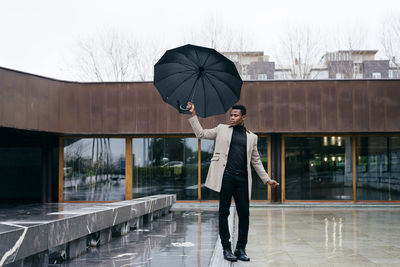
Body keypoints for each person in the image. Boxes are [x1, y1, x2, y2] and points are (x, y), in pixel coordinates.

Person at [186, 102, 279, 262]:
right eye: (231, 115)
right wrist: (193, 114)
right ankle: (226, 248)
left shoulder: (252, 137)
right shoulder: (222, 129)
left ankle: (241, 249)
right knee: (224, 213)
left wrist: (267, 179)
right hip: (226, 177)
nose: (232, 118)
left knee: (244, 215)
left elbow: (256, 161)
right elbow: (200, 134)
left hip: (243, 179)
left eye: (236, 115)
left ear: (244, 117)